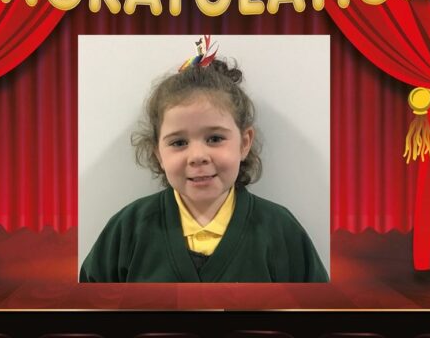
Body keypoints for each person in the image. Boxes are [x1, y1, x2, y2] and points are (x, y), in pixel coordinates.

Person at [80, 55, 328, 283]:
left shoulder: (280, 231)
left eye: (215, 138)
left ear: (244, 143)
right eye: (179, 143)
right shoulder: (128, 229)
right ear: (158, 154)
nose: (197, 157)